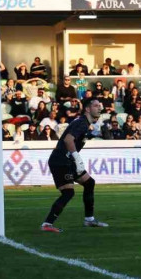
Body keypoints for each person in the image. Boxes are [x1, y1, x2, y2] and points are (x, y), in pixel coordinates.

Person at [40, 99, 108, 233]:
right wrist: (77, 158)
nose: (99, 108)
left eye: (100, 106)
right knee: (68, 192)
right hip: (60, 160)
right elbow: (68, 140)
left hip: (68, 160)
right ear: (87, 109)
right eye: (95, 106)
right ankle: (47, 224)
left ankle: (89, 219)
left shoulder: (84, 123)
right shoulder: (82, 123)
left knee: (89, 183)